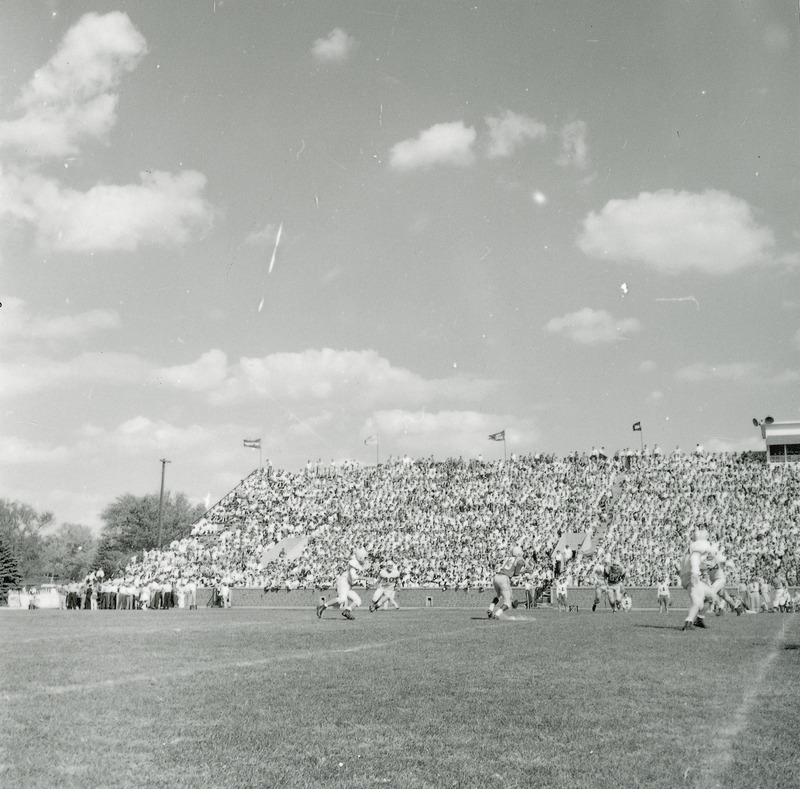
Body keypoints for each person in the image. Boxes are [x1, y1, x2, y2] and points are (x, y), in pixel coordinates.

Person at [317, 548, 368, 620]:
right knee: (342, 599)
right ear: (361, 556)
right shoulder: (354, 563)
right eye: (365, 557)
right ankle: (322, 607)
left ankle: (347, 611)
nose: (365, 560)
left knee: (357, 601)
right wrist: (367, 579)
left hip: (348, 585)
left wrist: (360, 584)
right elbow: (354, 577)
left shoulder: (358, 565)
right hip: (343, 582)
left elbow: (353, 580)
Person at [680, 529, 715, 631]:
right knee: (697, 602)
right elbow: (694, 558)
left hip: (687, 575)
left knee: (711, 596)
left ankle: (699, 620)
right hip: (691, 575)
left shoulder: (691, 546)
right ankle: (688, 622)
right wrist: (695, 572)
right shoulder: (701, 545)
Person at [487, 546, 527, 619]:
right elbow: (516, 574)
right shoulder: (520, 560)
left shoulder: (508, 558)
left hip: (496, 577)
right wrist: (524, 571)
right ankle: (497, 615)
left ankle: (490, 608)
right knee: (508, 603)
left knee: (498, 596)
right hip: (504, 578)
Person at [706, 544, 745, 615]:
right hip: (714, 580)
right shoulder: (704, 560)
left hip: (720, 579)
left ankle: (720, 609)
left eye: (709, 553)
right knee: (725, 596)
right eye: (708, 553)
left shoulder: (717, 559)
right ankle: (737, 608)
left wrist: (735, 571)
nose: (708, 554)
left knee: (711, 592)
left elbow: (728, 564)